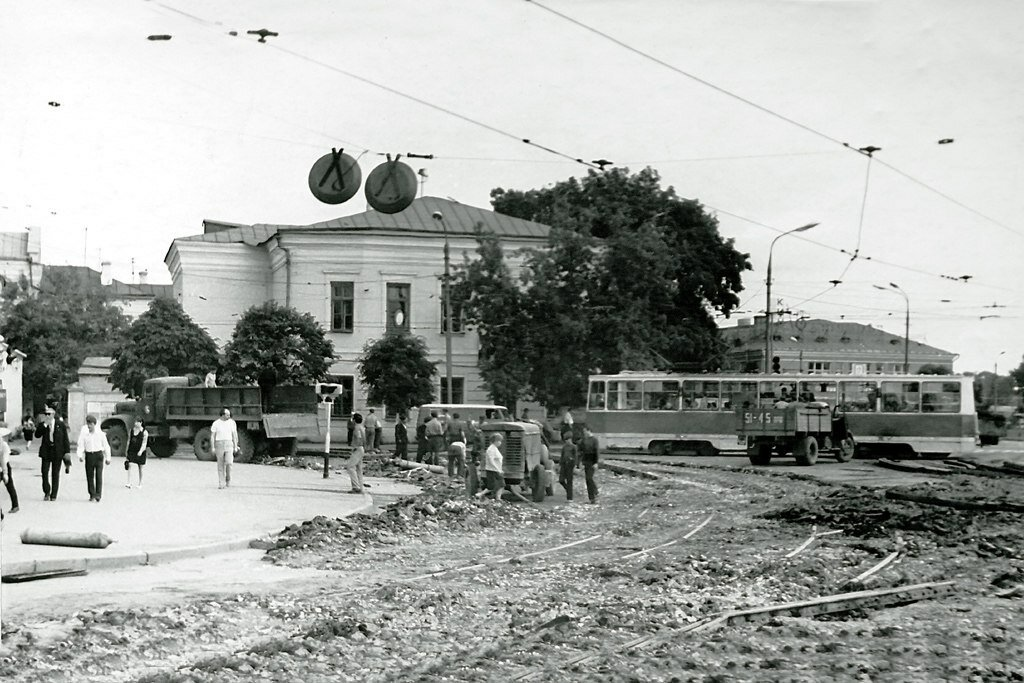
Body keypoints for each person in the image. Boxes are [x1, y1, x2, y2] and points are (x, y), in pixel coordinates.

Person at [36, 405, 70, 501]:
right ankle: (47, 491)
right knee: (44, 472)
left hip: (57, 451)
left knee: (55, 473)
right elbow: (37, 435)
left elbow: (65, 439)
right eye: (46, 414)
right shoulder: (43, 424)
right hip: (46, 451)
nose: (47, 416)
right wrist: (45, 425)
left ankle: (54, 494)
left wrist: (67, 452)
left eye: (49, 414)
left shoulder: (60, 424)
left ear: (53, 414)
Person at [77, 414, 112, 502]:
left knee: (99, 475)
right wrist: (80, 455)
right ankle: (92, 494)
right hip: (89, 455)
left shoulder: (100, 434)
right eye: (88, 424)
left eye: (91, 424)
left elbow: (106, 446)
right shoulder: (85, 434)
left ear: (94, 424)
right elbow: (81, 444)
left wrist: (108, 458)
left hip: (98, 455)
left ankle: (98, 494)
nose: (89, 426)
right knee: (89, 476)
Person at [211, 407, 239, 489]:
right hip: (219, 443)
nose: (229, 416)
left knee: (229, 463)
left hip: (229, 443)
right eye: (227, 415)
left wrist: (235, 445)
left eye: (229, 415)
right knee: (220, 464)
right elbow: (212, 436)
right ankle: (221, 483)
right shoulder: (216, 423)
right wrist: (213, 447)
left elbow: (234, 435)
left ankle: (228, 479)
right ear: (222, 415)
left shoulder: (232, 423)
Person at [578, 426, 600, 504]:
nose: (584, 434)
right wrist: (581, 462)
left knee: (589, 478)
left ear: (588, 431)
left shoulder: (594, 440)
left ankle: (594, 492)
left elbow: (596, 451)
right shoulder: (583, 440)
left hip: (592, 461)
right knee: (587, 480)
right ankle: (591, 498)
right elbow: (581, 452)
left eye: (585, 432)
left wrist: (596, 462)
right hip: (586, 461)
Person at [125, 419, 149, 489]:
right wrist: (126, 450)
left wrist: (141, 451)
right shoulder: (131, 431)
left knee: (140, 467)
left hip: (140, 451)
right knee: (130, 464)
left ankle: (140, 483)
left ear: (141, 423)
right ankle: (128, 482)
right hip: (132, 450)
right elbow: (129, 441)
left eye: (137, 422)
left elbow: (144, 443)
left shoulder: (144, 432)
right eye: (135, 422)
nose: (136, 424)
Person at [1, 427, 19, 516]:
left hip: (5, 467)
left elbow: (5, 459)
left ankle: (15, 505)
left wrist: (5, 473)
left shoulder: (4, 445)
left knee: (10, 486)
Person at [347, 413, 366, 494]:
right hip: (361, 448)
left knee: (350, 467)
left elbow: (358, 438)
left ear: (354, 420)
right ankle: (360, 487)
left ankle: (356, 487)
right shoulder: (362, 427)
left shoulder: (357, 428)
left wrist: (355, 447)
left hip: (357, 448)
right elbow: (364, 439)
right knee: (359, 469)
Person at [483, 433, 504, 500]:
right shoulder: (491, 449)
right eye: (499, 441)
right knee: (492, 486)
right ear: (495, 441)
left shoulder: (494, 448)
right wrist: (498, 469)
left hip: (496, 470)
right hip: (492, 470)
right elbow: (491, 461)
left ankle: (498, 498)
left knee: (501, 484)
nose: (500, 443)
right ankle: (479, 495)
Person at [559, 436, 577, 501]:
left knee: (569, 481)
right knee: (561, 480)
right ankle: (568, 490)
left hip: (570, 465)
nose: (567, 441)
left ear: (570, 439)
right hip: (564, 465)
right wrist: (560, 464)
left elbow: (576, 456)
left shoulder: (574, 447)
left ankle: (569, 497)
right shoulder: (564, 447)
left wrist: (575, 465)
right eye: (565, 440)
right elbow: (562, 455)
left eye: (568, 440)